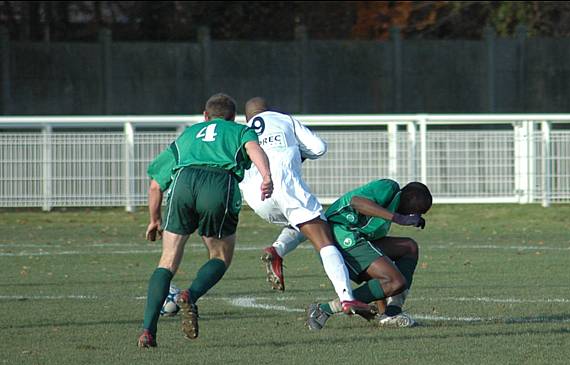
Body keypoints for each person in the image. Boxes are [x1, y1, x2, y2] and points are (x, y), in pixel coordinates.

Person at [137, 93, 273, 348]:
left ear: (205, 116)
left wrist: (154, 219)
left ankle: (147, 331)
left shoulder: (189, 135)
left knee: (167, 262)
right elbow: (254, 149)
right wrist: (266, 176)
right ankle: (190, 294)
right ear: (233, 117)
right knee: (220, 256)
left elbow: (155, 185)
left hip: (184, 183)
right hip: (219, 184)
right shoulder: (240, 131)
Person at [238, 97, 373, 318]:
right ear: (268, 110)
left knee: (303, 223)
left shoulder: (242, 131)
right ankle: (347, 297)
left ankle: (277, 249)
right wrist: (299, 154)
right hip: (285, 187)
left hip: (257, 197)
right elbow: (319, 148)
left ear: (247, 117)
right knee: (322, 236)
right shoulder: (283, 119)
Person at [305, 179, 432, 330]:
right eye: (417, 210)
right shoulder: (389, 187)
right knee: (395, 281)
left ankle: (391, 313)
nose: (415, 215)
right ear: (410, 197)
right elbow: (356, 202)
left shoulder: (387, 215)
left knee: (409, 247)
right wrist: (399, 218)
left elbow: (374, 253)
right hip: (340, 234)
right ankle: (324, 309)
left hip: (356, 240)